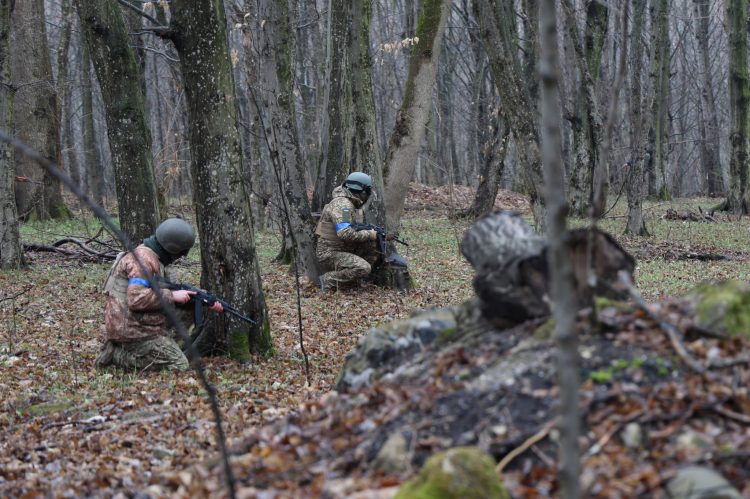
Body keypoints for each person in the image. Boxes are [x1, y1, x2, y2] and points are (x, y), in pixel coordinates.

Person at [95, 218, 222, 371]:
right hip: (131, 329)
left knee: (188, 306)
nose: (180, 257)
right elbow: (136, 299)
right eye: (180, 253)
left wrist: (204, 300)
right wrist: (172, 296)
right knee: (179, 365)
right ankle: (117, 356)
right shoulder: (143, 260)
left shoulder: (152, 256)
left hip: (139, 321)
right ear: (172, 249)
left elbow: (158, 289)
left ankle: (162, 348)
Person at [315, 172, 383, 291]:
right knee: (363, 268)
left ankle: (352, 281)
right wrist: (369, 234)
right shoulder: (344, 206)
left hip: (341, 249)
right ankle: (329, 280)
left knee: (373, 245)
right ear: (363, 191)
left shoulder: (349, 203)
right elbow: (345, 233)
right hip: (329, 253)